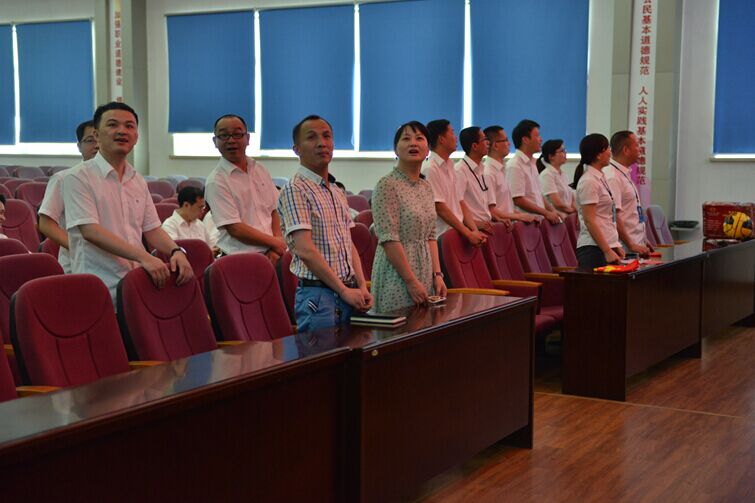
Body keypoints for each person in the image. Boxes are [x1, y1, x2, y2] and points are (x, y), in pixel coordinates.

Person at [63, 102, 193, 301]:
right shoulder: (78, 177)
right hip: (99, 284)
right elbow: (90, 231)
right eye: (112, 125)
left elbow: (152, 229)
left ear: (136, 136)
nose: (122, 131)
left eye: (129, 126)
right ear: (96, 135)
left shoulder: (137, 179)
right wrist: (144, 257)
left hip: (137, 282)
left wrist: (176, 251)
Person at [277, 115, 372, 331]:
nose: (322, 143)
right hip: (319, 297)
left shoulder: (336, 190)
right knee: (325, 352)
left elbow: (349, 243)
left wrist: (361, 285)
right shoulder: (295, 189)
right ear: (296, 149)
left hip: (348, 291)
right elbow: (305, 250)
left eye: (327, 136)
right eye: (311, 137)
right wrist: (343, 290)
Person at [371, 121, 447, 312]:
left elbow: (431, 236)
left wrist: (437, 275)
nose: (413, 143)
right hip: (397, 274)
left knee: (423, 324)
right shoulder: (387, 185)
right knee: (400, 326)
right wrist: (410, 281)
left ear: (428, 149)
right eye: (406, 139)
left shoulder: (426, 186)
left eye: (419, 138)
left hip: (425, 270)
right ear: (396, 149)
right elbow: (389, 239)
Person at [204, 114, 286, 263]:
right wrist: (275, 243)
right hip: (240, 259)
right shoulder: (216, 181)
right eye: (224, 135)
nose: (231, 140)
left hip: (273, 254)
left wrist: (276, 246)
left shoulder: (259, 169)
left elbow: (274, 210)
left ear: (247, 138)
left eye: (237, 134)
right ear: (215, 141)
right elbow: (235, 228)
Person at [38, 120, 99, 273]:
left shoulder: (116, 181)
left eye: (101, 140)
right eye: (90, 140)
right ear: (79, 146)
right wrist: (79, 249)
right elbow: (45, 224)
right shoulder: (63, 179)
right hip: (78, 264)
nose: (97, 145)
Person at [422, 120, 486, 247]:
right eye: (452, 133)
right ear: (441, 139)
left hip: (456, 233)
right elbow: (440, 208)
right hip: (440, 238)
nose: (456, 137)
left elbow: (460, 201)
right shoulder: (430, 168)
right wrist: (468, 233)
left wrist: (474, 230)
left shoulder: (450, 165)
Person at [573, 133, 625, 269]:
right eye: (607, 148)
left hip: (604, 245)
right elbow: (590, 221)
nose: (610, 152)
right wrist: (607, 250)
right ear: (598, 155)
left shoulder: (600, 177)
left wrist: (614, 245)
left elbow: (605, 217)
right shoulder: (589, 181)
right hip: (593, 249)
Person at [604, 131, 653, 256]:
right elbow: (615, 216)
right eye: (637, 145)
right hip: (625, 249)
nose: (640, 149)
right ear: (626, 150)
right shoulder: (612, 177)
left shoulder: (624, 173)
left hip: (635, 246)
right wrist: (631, 244)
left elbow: (631, 212)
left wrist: (643, 240)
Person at [507, 119, 561, 224]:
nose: (541, 139)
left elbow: (538, 195)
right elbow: (518, 200)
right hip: (525, 224)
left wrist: (552, 211)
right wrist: (546, 213)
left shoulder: (532, 163)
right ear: (525, 140)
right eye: (537, 136)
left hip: (537, 222)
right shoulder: (515, 165)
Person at [482, 126, 538, 225]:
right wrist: (520, 216)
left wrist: (523, 215)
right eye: (505, 140)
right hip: (497, 228)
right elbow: (491, 210)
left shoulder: (501, 169)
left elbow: (506, 208)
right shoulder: (488, 172)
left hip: (507, 226)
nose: (509, 143)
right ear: (495, 145)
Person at [455, 126, 496, 233]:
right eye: (485, 139)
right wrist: (475, 224)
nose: (488, 143)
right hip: (472, 230)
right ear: (474, 146)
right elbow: (457, 204)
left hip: (486, 227)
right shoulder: (460, 170)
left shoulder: (482, 169)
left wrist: (498, 218)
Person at [161, 186, 216, 252]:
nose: (202, 211)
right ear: (186, 205)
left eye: (203, 207)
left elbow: (211, 247)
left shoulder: (200, 225)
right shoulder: (169, 226)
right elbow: (176, 252)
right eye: (200, 207)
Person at [537, 139, 576, 216]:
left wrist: (575, 211)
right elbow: (557, 203)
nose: (565, 153)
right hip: (557, 217)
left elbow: (571, 199)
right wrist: (572, 211)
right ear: (551, 156)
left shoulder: (563, 174)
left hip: (569, 215)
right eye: (562, 151)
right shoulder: (547, 175)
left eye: (565, 150)